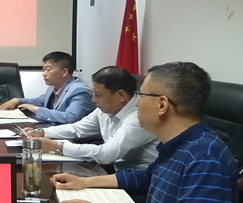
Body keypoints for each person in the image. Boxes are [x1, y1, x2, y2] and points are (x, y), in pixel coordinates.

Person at [51, 62, 238, 203]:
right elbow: (146, 177)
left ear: (162, 105)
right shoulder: (179, 144)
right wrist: (84, 182)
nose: (137, 102)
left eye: (141, 95)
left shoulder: (205, 157)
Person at [29, 66, 158, 170]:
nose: (93, 99)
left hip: (138, 180)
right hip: (115, 170)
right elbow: (77, 128)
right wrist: (42, 132)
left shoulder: (138, 118)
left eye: (98, 95)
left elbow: (106, 154)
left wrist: (57, 146)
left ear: (121, 96)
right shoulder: (105, 109)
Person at [0, 51, 95, 124]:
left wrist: (36, 109)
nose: (44, 73)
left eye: (48, 69)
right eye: (43, 70)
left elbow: (70, 118)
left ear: (64, 72)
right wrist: (18, 100)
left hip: (74, 140)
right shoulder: (54, 87)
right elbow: (39, 101)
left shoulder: (80, 91)